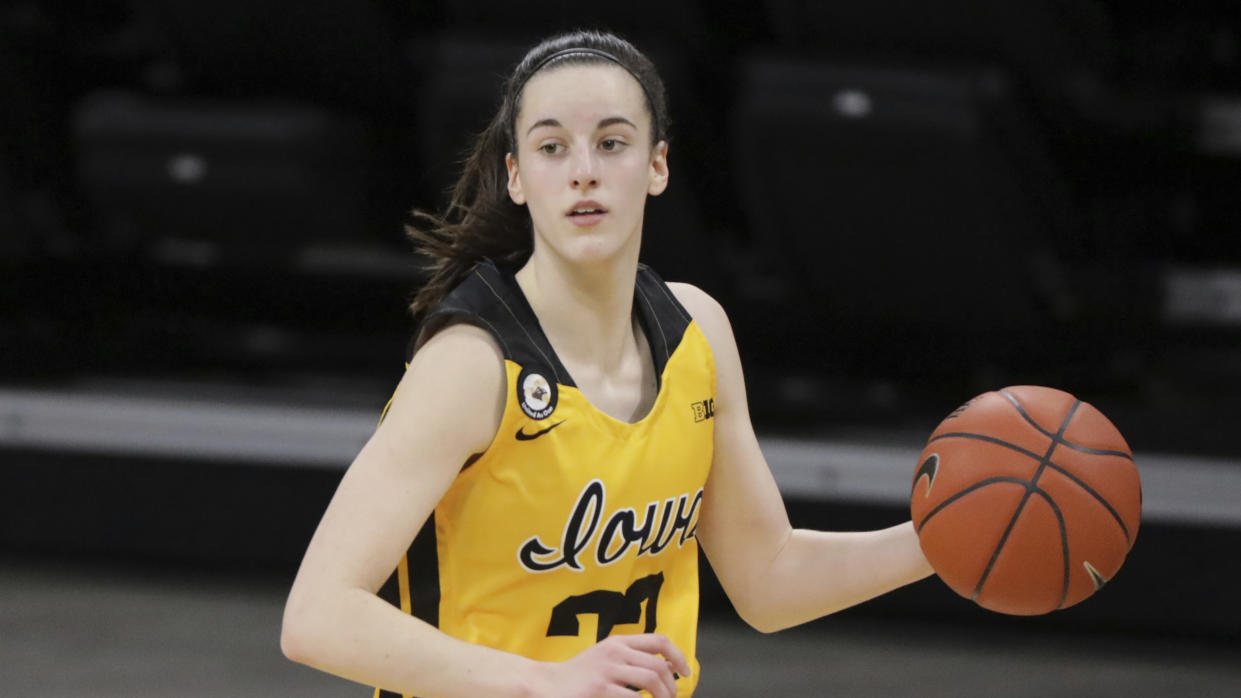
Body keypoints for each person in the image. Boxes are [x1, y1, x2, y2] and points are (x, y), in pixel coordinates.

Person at [280, 29, 934, 698]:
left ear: (657, 166)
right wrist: (544, 683)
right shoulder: (471, 366)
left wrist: (945, 540)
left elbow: (767, 578)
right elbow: (317, 617)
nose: (583, 169)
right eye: (551, 146)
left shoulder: (695, 332)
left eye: (612, 143)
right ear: (516, 176)